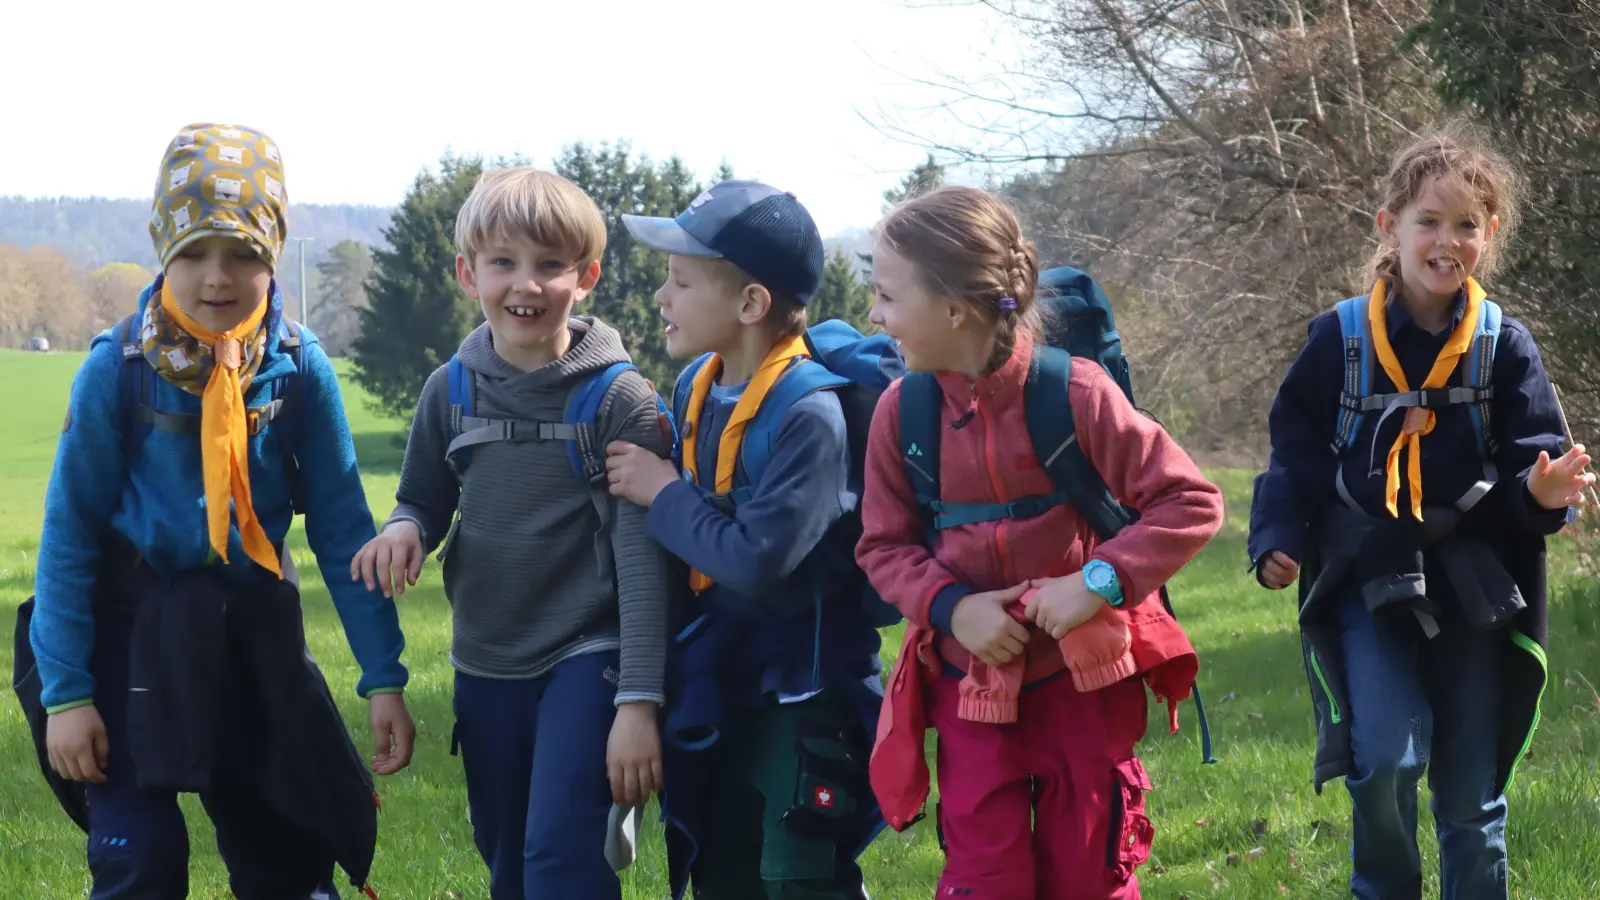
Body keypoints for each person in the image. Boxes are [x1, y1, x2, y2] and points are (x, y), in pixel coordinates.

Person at [23, 122, 414, 899]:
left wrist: (383, 677)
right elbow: (67, 540)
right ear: (163, 249)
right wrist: (67, 695)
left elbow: (342, 534)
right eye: (193, 252)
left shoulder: (299, 369)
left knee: (287, 860)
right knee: (139, 859)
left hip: (252, 625)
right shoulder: (116, 371)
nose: (216, 277)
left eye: (244, 254)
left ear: (273, 255)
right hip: (132, 631)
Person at [1248, 124, 1595, 899]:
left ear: (1490, 234)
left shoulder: (1504, 346)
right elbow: (1296, 452)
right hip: (1369, 580)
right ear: (1389, 228)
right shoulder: (1338, 340)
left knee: (1472, 799)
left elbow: (1530, 472)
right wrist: (1276, 537)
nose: (1448, 241)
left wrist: (1542, 496)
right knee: (1384, 764)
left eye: (1468, 224)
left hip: (1474, 587)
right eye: (1428, 222)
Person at [855, 185, 1224, 900]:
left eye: (887, 296)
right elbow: (882, 547)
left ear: (955, 309)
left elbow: (1191, 501)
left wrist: (1097, 583)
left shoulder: (1077, 396)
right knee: (983, 881)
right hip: (969, 692)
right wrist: (952, 607)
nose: (874, 314)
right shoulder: (901, 415)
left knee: (1090, 871)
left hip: (1081, 690)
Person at [350, 166, 672, 900]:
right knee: (508, 862)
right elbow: (422, 500)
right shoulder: (450, 389)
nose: (525, 285)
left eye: (549, 265)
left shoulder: (620, 398)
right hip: (486, 658)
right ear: (469, 273)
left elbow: (643, 562)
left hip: (590, 653)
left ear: (585, 277)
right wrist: (404, 529)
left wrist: (639, 703)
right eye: (503, 263)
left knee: (564, 861)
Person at [605, 180, 887, 900]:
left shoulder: (809, 415)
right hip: (719, 687)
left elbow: (757, 560)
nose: (662, 298)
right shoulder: (698, 383)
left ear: (751, 304)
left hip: (804, 697)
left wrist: (663, 492)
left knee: (800, 879)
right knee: (721, 872)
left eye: (681, 281)